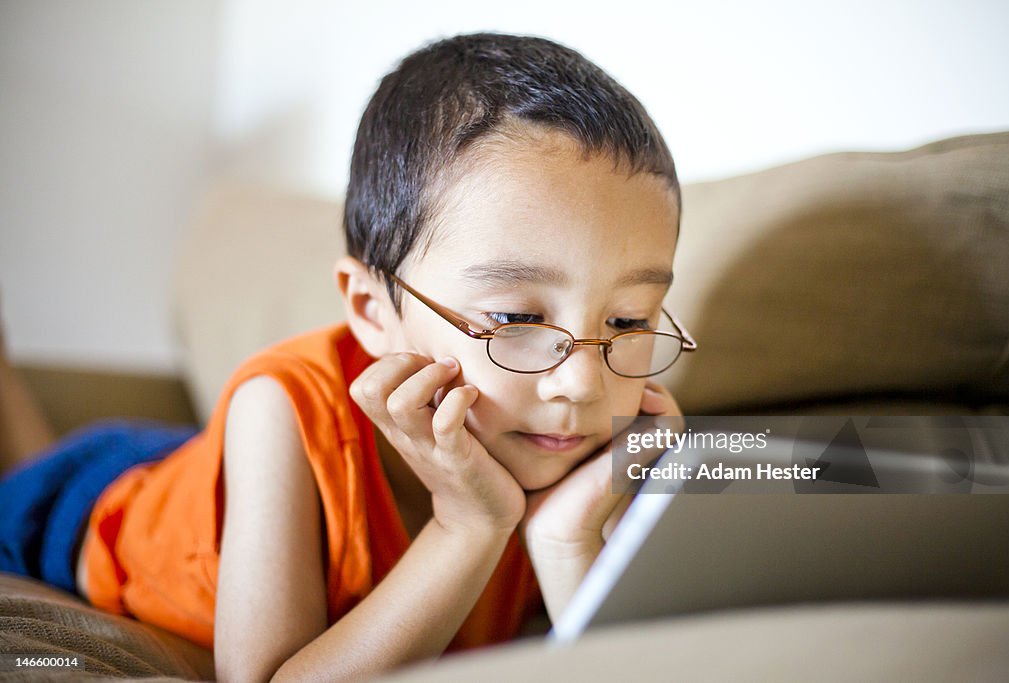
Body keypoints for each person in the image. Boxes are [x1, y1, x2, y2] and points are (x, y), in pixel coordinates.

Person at [0, 33, 695, 682]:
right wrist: (470, 523)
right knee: (20, 473)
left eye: (628, 320)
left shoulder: (580, 444)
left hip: (210, 468)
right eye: (515, 317)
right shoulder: (280, 405)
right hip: (97, 500)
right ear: (370, 309)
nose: (582, 382)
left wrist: (570, 541)